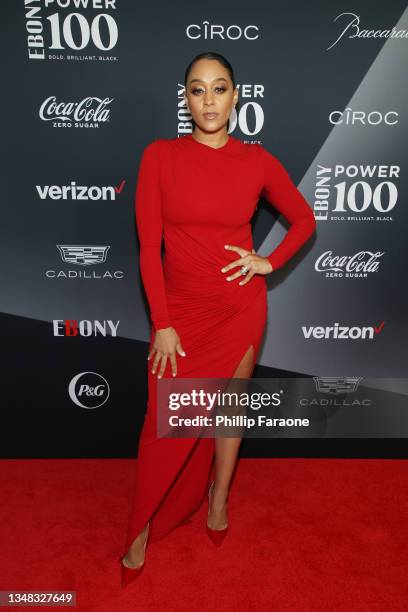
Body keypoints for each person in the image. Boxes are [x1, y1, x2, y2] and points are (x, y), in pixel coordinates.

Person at [120, 51, 316, 588]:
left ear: (236, 96)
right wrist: (162, 321)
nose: (209, 100)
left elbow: (304, 219)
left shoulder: (256, 161)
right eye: (198, 89)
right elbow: (147, 246)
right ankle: (141, 525)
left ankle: (219, 496)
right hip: (179, 314)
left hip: (239, 307)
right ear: (185, 98)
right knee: (161, 422)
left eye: (220, 88)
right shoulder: (159, 155)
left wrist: (269, 262)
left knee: (230, 410)